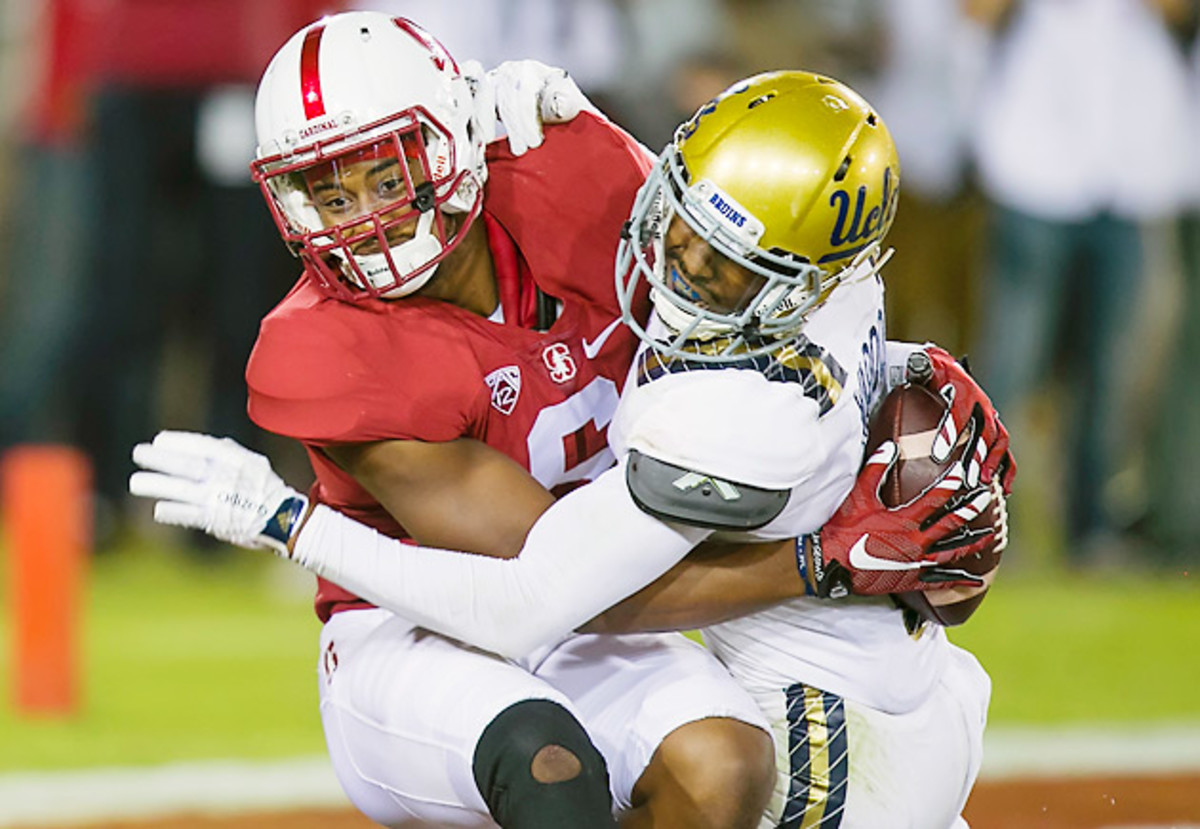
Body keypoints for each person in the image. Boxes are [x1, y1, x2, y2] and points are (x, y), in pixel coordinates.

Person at [131, 59, 1015, 827]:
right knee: (547, 759)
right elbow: (535, 587)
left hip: (586, 585)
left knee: (728, 769)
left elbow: (555, 595)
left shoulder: (602, 227)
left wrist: (838, 531)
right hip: (409, 618)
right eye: (330, 192)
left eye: (388, 176)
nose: (363, 218)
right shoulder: (335, 341)